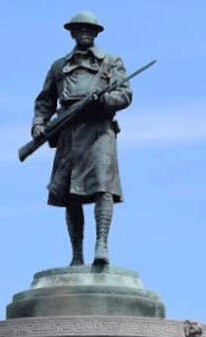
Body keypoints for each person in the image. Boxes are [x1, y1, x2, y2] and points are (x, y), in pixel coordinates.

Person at [31, 12, 131, 267]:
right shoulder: (59, 67)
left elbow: (125, 95)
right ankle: (77, 255)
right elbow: (44, 101)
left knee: (103, 187)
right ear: (72, 33)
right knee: (71, 194)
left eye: (89, 29)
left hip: (99, 130)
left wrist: (104, 100)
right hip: (69, 132)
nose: (85, 32)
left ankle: (101, 245)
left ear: (96, 33)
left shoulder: (111, 62)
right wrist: (39, 124)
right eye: (79, 29)